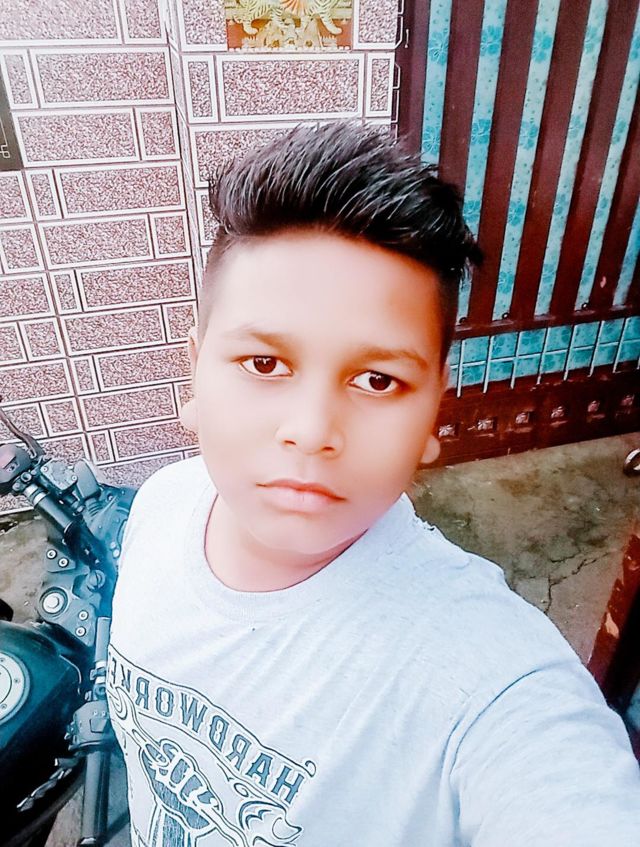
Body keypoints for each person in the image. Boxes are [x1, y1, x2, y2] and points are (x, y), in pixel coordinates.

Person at [106, 121, 640, 847]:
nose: (312, 430)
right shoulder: (163, 503)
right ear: (195, 372)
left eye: (377, 380)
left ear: (435, 412)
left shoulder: (489, 682)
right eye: (264, 364)